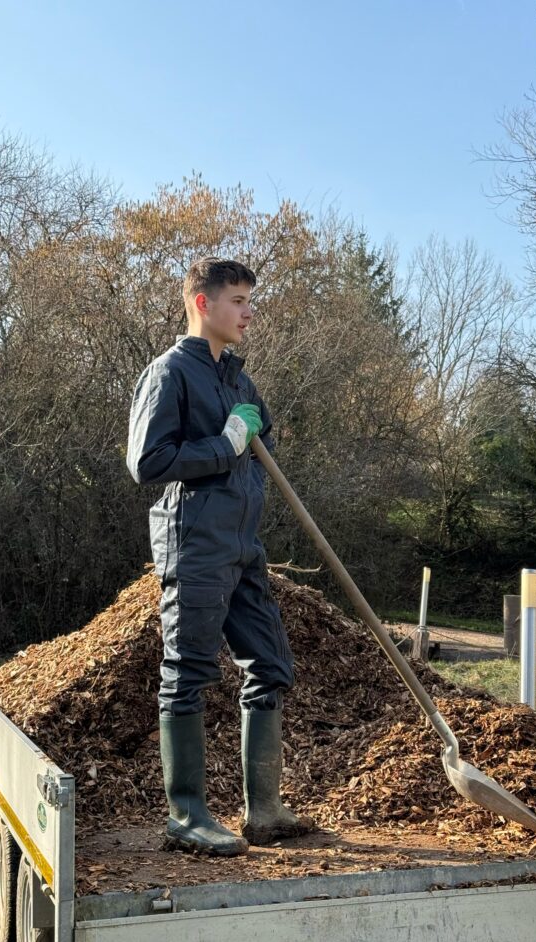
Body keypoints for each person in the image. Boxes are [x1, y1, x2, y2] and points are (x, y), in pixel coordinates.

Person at [126, 257, 309, 856]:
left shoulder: (236, 377)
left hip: (242, 545)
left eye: (250, 299)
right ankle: (186, 816)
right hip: (196, 541)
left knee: (270, 664)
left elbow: (262, 444)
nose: (249, 311)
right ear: (203, 304)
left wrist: (251, 433)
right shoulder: (169, 374)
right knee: (187, 675)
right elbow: (148, 463)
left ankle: (264, 810)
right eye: (238, 299)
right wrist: (225, 442)